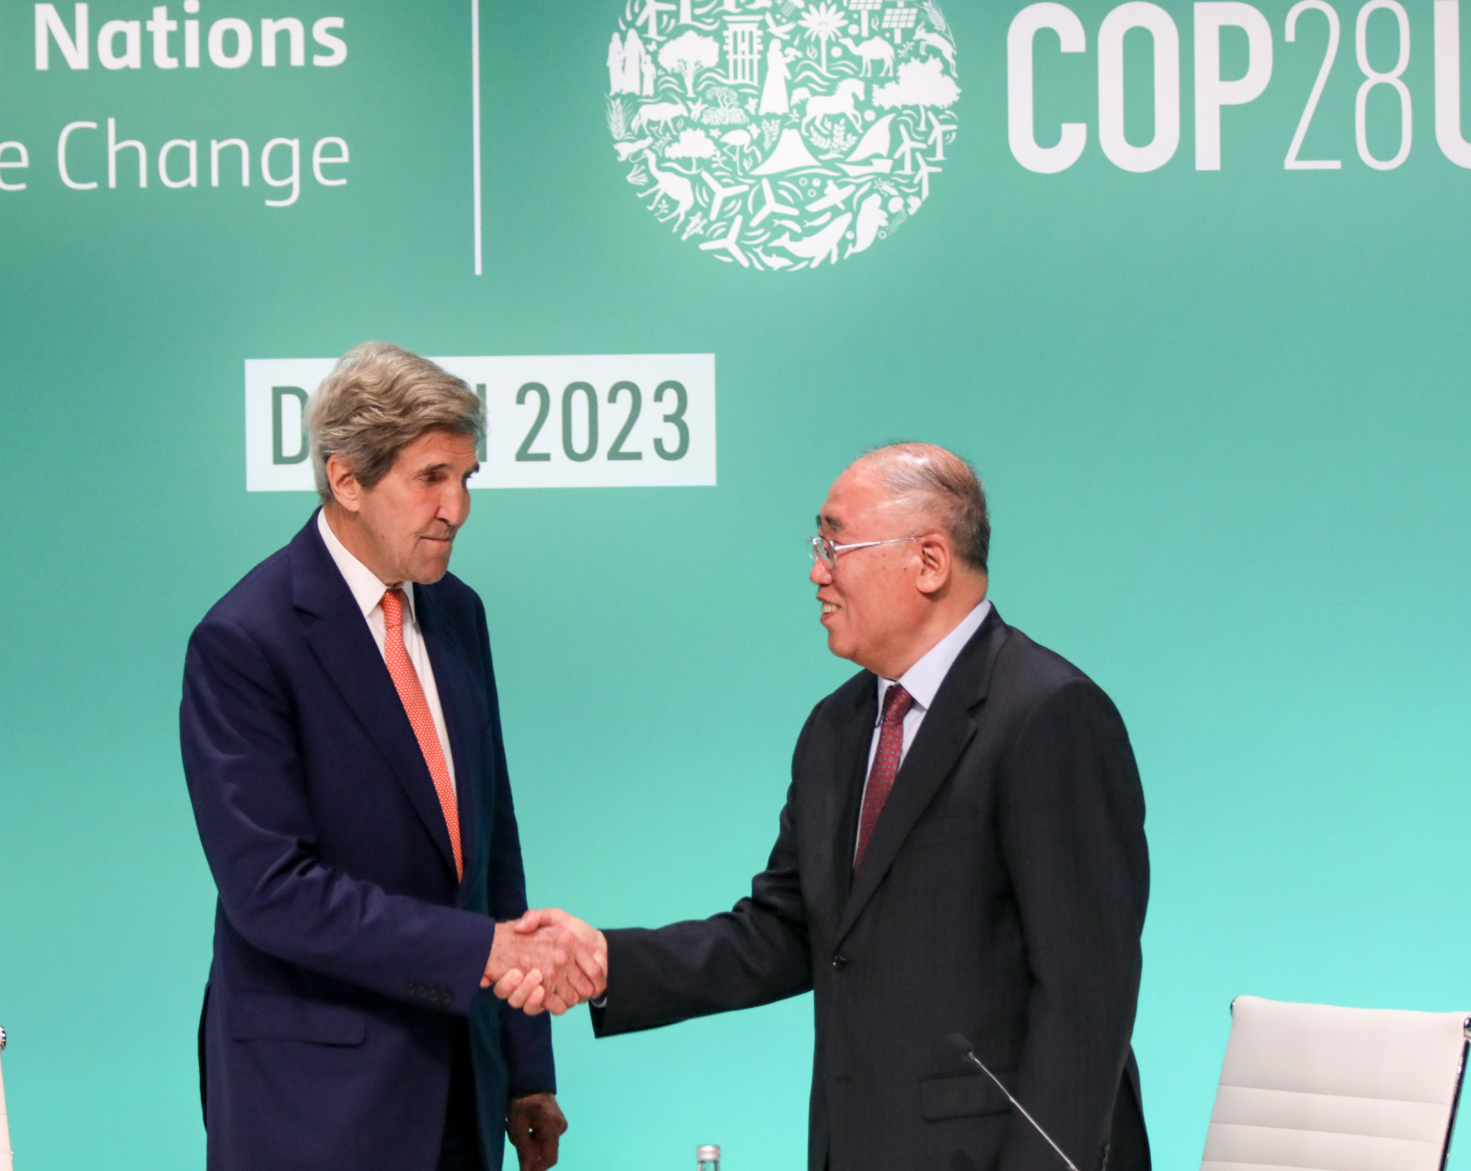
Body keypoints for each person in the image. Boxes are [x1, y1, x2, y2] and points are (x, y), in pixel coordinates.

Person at [508, 443, 1151, 1171]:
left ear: (929, 560)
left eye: (834, 542)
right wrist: (606, 962)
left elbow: (1085, 997)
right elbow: (785, 931)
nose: (817, 570)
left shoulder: (1048, 714)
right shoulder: (835, 728)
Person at [181, 342, 605, 1171]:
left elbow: (492, 855)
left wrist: (523, 1066)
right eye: (432, 476)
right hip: (316, 1108)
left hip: (461, 1088)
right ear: (347, 480)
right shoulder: (245, 639)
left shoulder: (457, 614)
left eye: (467, 477)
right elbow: (271, 891)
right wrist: (480, 954)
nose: (458, 506)